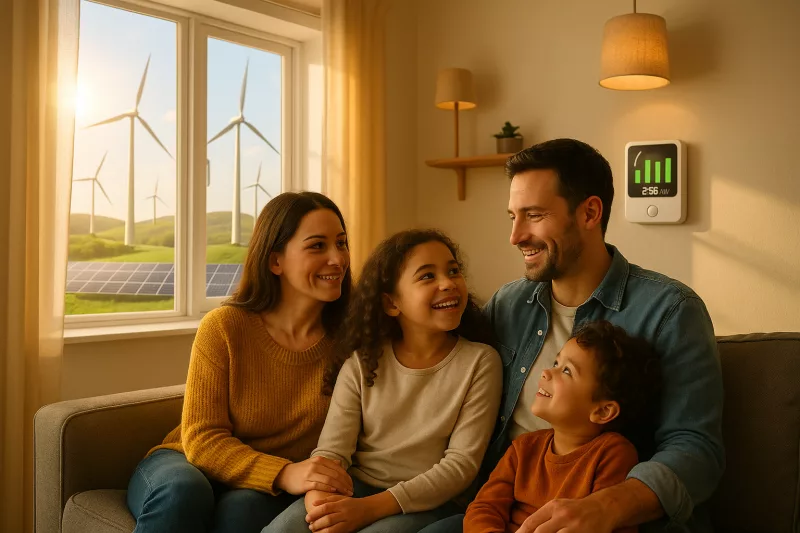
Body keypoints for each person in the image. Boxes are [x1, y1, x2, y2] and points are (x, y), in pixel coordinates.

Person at [421, 138, 724, 533]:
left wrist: (606, 507)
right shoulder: (508, 305)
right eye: (512, 216)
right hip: (503, 507)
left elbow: (696, 449)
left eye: (533, 215)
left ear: (590, 212)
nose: (516, 236)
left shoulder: (670, 310)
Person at [126, 192, 355, 533]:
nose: (337, 258)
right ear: (275, 260)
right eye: (317, 246)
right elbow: (202, 439)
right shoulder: (224, 327)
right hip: (187, 462)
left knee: (242, 511)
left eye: (341, 243)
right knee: (182, 493)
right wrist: (284, 472)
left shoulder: (353, 338)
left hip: (263, 485)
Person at [263, 229, 503, 533]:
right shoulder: (363, 362)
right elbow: (333, 451)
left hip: (431, 501)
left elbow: (459, 467)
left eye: (453, 270)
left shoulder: (481, 362)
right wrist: (319, 500)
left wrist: (369, 509)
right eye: (427, 276)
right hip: (355, 487)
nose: (448, 283)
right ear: (391, 303)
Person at [464, 320, 661, 533]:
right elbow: (484, 507)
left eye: (567, 371)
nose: (547, 372)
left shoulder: (612, 453)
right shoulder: (524, 448)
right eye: (556, 363)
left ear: (603, 411)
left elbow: (611, 526)